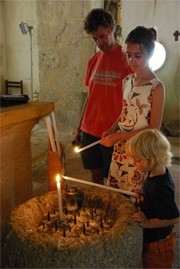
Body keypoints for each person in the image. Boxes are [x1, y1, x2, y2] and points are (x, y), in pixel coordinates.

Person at [101, 26, 165, 193]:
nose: (132, 61)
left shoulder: (156, 87)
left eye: (138, 56)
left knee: (136, 196)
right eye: (128, 55)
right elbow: (125, 111)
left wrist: (120, 136)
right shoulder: (127, 80)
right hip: (121, 148)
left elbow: (154, 129)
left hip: (140, 151)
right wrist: (112, 128)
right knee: (118, 194)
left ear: (150, 54)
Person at [74, 8, 132, 184]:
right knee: (96, 176)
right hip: (90, 129)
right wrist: (80, 128)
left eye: (102, 36)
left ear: (112, 28)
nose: (99, 42)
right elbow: (90, 97)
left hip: (113, 131)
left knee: (115, 178)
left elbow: (130, 101)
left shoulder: (127, 60)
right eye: (95, 39)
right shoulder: (93, 61)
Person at [125, 129, 179, 268]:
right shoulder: (156, 173)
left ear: (152, 158)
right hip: (154, 239)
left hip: (158, 244)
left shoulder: (160, 187)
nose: (134, 164)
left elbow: (174, 218)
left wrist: (148, 223)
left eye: (137, 160)